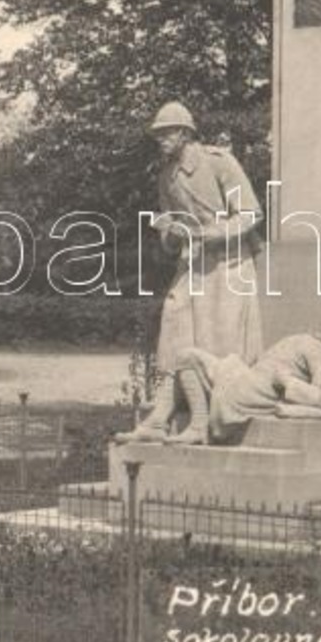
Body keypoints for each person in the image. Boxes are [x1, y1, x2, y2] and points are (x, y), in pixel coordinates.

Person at [116, 102, 261, 443]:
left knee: (218, 343)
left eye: (166, 132)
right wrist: (171, 234)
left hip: (229, 263)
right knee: (174, 328)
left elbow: (250, 213)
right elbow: (170, 225)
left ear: (184, 132)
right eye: (158, 134)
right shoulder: (166, 175)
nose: (161, 140)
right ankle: (160, 419)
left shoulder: (218, 162)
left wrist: (207, 233)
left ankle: (203, 422)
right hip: (192, 262)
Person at [132, 329, 321, 447]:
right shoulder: (317, 340)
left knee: (188, 358)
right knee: (186, 356)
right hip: (245, 376)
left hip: (251, 393)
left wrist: (290, 384)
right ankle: (155, 425)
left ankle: (198, 427)